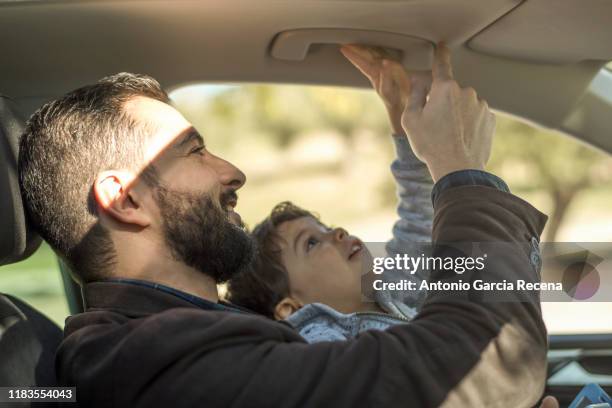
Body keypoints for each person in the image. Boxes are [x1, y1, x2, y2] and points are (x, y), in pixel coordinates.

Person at [19, 43, 550, 407]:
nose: (234, 172)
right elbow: (483, 365)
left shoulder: (189, 334)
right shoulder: (146, 361)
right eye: (196, 151)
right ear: (125, 198)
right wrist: (460, 168)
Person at [227, 45, 435, 341]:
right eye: (311, 243)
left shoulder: (391, 291)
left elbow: (420, 214)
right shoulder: (324, 343)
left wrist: (397, 108)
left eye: (324, 228)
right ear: (291, 309)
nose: (337, 232)